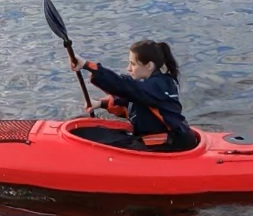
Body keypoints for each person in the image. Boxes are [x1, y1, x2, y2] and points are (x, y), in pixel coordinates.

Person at [69, 39, 200, 152]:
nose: (128, 68)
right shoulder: (148, 88)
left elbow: (124, 86)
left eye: (133, 64)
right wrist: (100, 104)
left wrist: (87, 65)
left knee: (107, 143)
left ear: (149, 65)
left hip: (172, 144)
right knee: (97, 133)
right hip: (163, 140)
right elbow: (130, 103)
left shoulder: (158, 86)